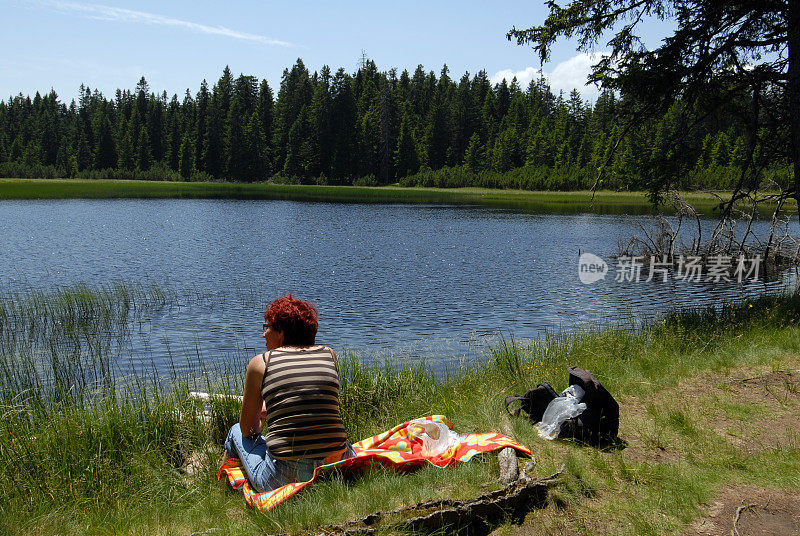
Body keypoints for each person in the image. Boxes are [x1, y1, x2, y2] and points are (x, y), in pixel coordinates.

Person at [223, 294, 354, 492]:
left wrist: (262, 417)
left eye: (267, 327)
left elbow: (248, 430)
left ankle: (224, 489)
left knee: (235, 432)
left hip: (284, 477)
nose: (264, 334)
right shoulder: (329, 354)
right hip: (337, 467)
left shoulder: (261, 363)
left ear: (282, 332)